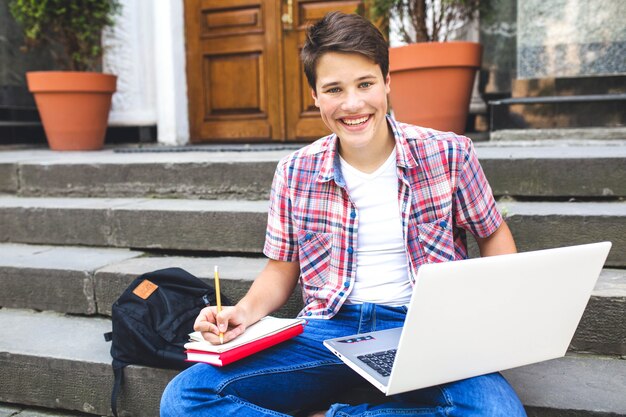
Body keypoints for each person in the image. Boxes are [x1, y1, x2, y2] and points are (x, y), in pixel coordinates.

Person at [160, 11, 526, 417]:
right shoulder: (295, 171)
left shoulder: (449, 153)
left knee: (497, 412)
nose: (353, 104)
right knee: (185, 398)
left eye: (365, 84)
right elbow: (281, 270)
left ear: (387, 82)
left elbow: (493, 233)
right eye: (334, 89)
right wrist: (240, 314)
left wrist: (493, 315)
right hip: (327, 333)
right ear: (315, 96)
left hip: (425, 331)